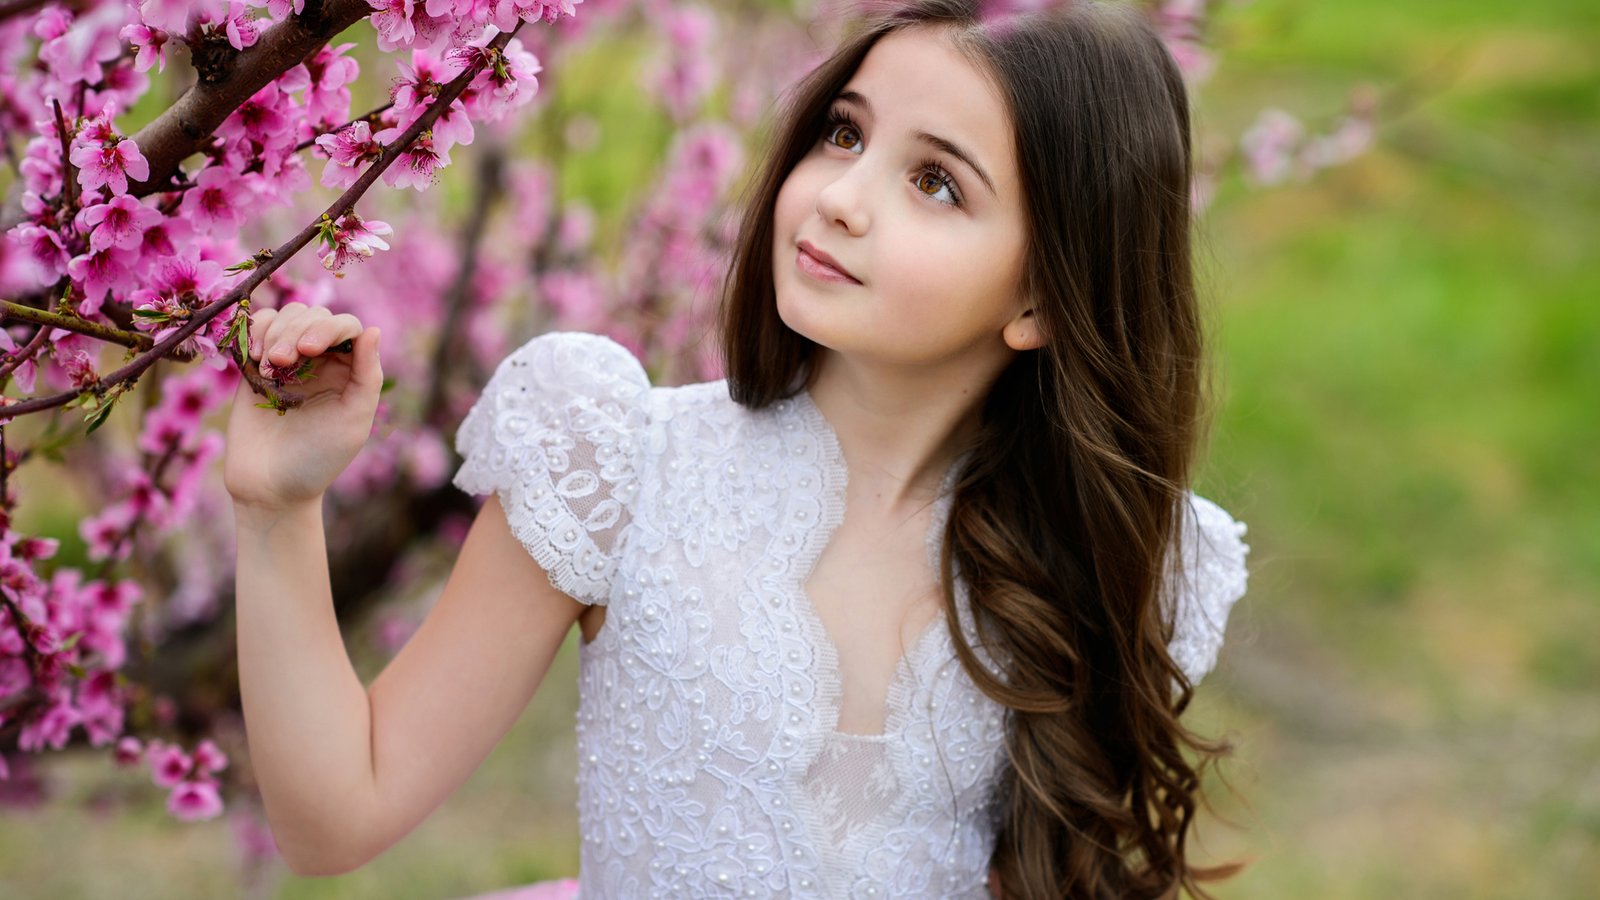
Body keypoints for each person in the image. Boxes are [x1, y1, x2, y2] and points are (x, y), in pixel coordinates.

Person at [224, 0, 1251, 896]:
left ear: (1040, 295)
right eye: (845, 134)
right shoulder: (617, 459)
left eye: (936, 182)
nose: (842, 197)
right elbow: (336, 816)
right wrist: (278, 510)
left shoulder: (1122, 558)